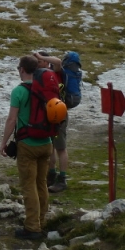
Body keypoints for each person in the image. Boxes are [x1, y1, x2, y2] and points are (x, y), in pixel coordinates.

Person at [0, 55, 53, 240]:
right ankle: (41, 221)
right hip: (47, 143)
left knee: (28, 186)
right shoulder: (45, 89)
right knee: (41, 184)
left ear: (22, 69)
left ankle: (32, 228)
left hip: (27, 144)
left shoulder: (19, 91)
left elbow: (11, 119)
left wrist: (3, 143)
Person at [35, 51, 69, 193]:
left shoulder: (55, 72)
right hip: (46, 115)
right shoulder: (38, 75)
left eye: (39, 62)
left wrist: (41, 57)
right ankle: (51, 174)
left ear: (46, 62)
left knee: (60, 147)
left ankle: (62, 179)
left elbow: (58, 61)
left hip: (59, 114)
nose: (37, 64)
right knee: (50, 146)